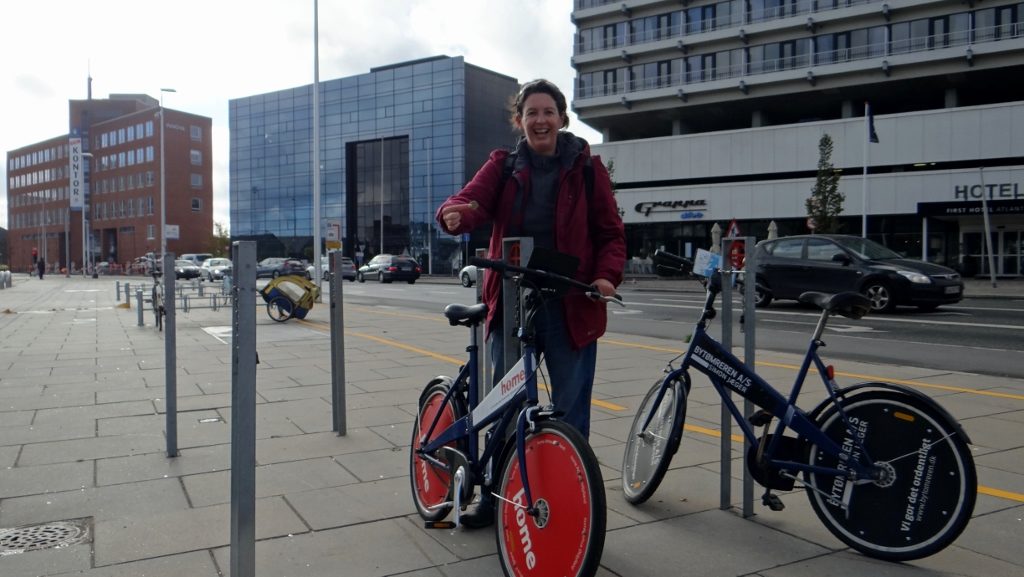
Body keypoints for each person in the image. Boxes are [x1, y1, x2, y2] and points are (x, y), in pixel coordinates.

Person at [436, 79, 625, 527]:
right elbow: (471, 201)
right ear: (519, 120)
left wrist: (605, 276)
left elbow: (610, 232)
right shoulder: (504, 164)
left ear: (562, 118)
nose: (540, 120)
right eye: (531, 112)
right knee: (504, 403)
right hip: (514, 297)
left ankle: (565, 498)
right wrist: (456, 212)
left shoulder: (586, 167)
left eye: (549, 112)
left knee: (571, 409)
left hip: (570, 302)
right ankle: (496, 496)